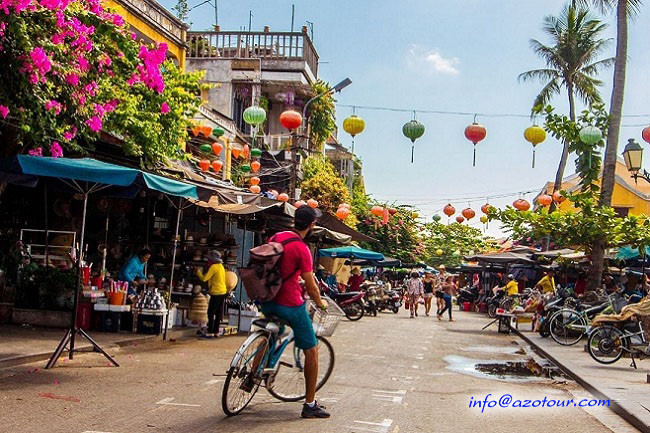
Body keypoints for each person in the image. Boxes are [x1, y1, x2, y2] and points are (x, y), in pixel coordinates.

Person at [258, 206, 330, 418]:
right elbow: (311, 285)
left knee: (271, 333)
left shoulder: (277, 236)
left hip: (267, 299)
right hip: (289, 304)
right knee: (312, 350)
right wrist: (321, 304)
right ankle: (310, 404)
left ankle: (251, 376)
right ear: (311, 225)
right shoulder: (302, 249)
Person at [196, 250, 227, 337]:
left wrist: (198, 272)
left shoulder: (214, 267)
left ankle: (210, 330)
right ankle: (216, 330)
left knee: (211, 312)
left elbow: (204, 278)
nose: (208, 261)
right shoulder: (221, 266)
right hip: (223, 292)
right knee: (218, 312)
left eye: (209, 259)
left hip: (216, 292)